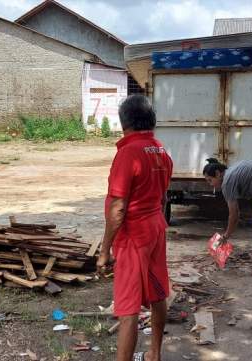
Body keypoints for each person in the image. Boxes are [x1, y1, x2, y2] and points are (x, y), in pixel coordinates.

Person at [97, 95, 173, 361]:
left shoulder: (128, 153)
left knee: (127, 308)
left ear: (124, 123)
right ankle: (154, 354)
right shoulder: (161, 150)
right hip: (155, 229)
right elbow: (163, 198)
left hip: (133, 235)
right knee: (158, 293)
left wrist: (105, 250)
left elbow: (118, 208)